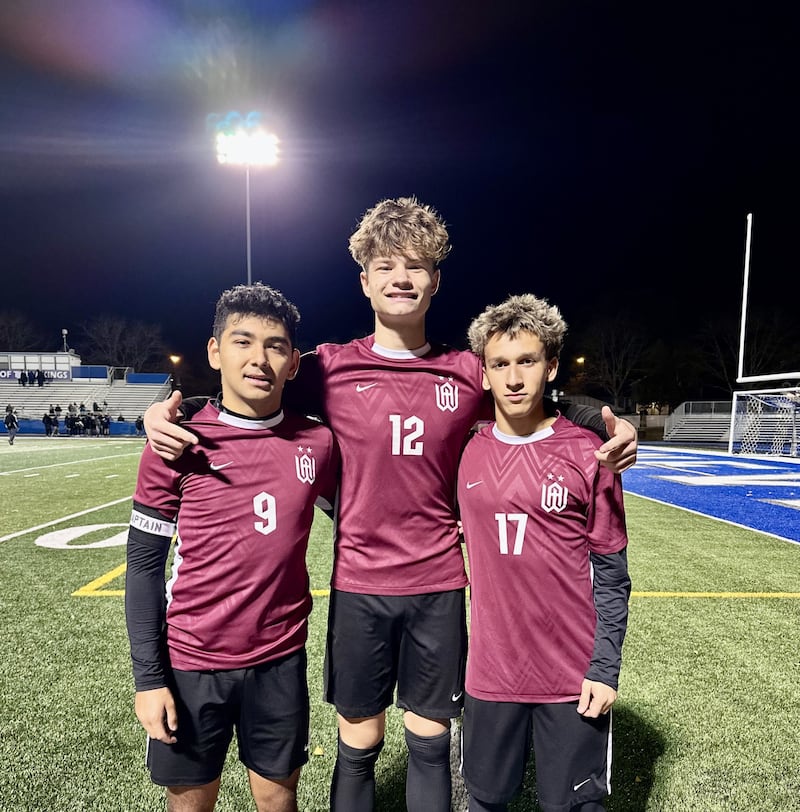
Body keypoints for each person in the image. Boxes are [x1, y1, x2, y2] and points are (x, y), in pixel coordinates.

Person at [144, 197, 638, 812]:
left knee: (430, 744)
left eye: (416, 265)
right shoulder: (327, 368)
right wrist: (172, 408)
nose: (400, 278)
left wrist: (603, 420)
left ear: (436, 280)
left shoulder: (466, 371)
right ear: (364, 281)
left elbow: (538, 401)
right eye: (385, 265)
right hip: (359, 585)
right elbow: (247, 388)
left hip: (437, 586)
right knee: (358, 745)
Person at [125, 283, 340, 812]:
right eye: (242, 342)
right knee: (191, 803)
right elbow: (144, 568)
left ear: (293, 362)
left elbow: (364, 515)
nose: (258, 358)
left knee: (278, 799)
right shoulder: (175, 444)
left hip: (279, 660)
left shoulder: (318, 444)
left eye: (275, 346)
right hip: (192, 660)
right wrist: (148, 679)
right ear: (215, 351)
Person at [457, 294, 631, 812]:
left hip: (571, 676)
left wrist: (604, 668)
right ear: (483, 373)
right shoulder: (462, 451)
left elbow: (612, 574)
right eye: (500, 364)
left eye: (527, 361)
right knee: (485, 801)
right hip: (490, 674)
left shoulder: (590, 453)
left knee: (574, 807)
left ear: (551, 366)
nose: (514, 379)